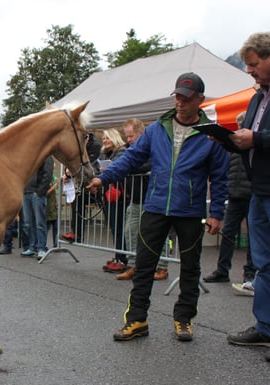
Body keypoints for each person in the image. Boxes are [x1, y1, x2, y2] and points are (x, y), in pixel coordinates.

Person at [87, 72, 229, 342]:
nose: (180, 102)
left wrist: (216, 213)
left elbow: (220, 177)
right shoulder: (156, 129)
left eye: (186, 98)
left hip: (190, 211)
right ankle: (137, 320)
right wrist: (103, 178)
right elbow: (130, 158)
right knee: (143, 267)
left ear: (199, 99)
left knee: (190, 268)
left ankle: (183, 320)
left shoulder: (211, 134)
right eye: (177, 97)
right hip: (155, 207)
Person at [226, 32, 270, 362]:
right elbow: (250, 136)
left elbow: (258, 137)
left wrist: (255, 138)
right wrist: (227, 140)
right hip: (259, 191)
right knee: (263, 263)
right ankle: (265, 327)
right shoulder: (256, 98)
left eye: (254, 64)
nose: (249, 71)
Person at [204, 111, 256, 287]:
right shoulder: (233, 148)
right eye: (238, 125)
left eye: (241, 124)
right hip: (234, 195)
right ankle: (222, 270)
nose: (239, 128)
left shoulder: (252, 145)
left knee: (252, 237)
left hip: (250, 195)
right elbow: (226, 171)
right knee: (227, 234)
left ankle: (249, 272)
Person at [116, 119, 170, 281]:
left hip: (152, 200)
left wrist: (128, 168)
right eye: (127, 136)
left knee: (158, 234)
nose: (129, 140)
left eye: (131, 136)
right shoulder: (131, 151)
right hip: (135, 199)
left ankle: (162, 267)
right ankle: (133, 265)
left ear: (141, 133)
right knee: (130, 232)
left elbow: (147, 165)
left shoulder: (153, 148)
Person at [98, 129, 128, 273]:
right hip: (108, 194)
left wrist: (106, 170)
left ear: (115, 138)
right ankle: (119, 255)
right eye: (103, 138)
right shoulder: (104, 154)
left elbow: (118, 168)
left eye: (107, 138)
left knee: (120, 227)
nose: (105, 140)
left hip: (120, 195)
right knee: (114, 227)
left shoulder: (122, 152)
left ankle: (122, 258)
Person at [21, 156, 54, 260]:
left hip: (36, 193)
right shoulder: (30, 154)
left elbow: (48, 174)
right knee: (28, 223)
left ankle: (42, 248)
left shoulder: (46, 155)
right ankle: (33, 247)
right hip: (26, 192)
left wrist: (39, 191)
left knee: (40, 222)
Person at [46, 174, 59, 249]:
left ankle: (56, 244)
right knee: (46, 227)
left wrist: (57, 184)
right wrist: (55, 186)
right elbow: (46, 193)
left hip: (53, 206)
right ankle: (42, 245)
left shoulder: (53, 176)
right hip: (47, 207)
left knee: (56, 228)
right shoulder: (45, 178)